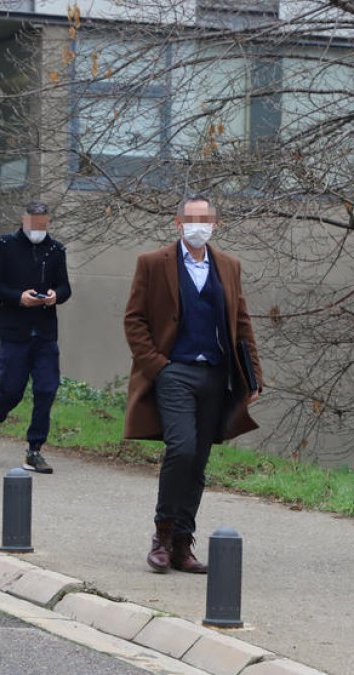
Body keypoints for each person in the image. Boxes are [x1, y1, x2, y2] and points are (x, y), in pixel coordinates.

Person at [123, 194, 262, 574]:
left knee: (198, 460)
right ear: (178, 222)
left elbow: (242, 323)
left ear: (216, 223)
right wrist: (158, 366)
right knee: (181, 449)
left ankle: (183, 543)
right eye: (192, 218)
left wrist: (253, 375)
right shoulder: (153, 263)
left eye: (207, 218)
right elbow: (134, 319)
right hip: (174, 372)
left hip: (215, 375)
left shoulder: (228, 266)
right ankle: (162, 535)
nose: (200, 225)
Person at [0, 201, 71, 474]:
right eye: (33, 222)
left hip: (45, 333)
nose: (38, 228)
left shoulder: (56, 250)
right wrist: (18, 298)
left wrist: (56, 296)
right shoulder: (5, 245)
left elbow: (65, 286)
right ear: (24, 220)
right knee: (12, 389)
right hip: (14, 331)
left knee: (46, 388)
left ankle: (34, 449)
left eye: (43, 223)